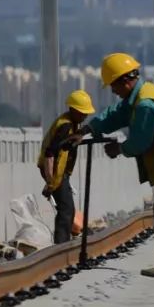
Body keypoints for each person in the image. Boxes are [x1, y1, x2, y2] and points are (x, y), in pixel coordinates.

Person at [73, 53, 154, 278]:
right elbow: (116, 114)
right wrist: (89, 129)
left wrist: (119, 149)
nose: (113, 91)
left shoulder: (146, 105)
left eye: (113, 85)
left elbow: (141, 141)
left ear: (125, 80)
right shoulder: (139, 96)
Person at [38, 90, 95, 244]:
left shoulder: (72, 123)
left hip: (60, 172)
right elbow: (50, 153)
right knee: (66, 210)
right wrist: (51, 181)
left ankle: (64, 243)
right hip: (56, 172)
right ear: (74, 110)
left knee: (67, 208)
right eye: (83, 113)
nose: (85, 116)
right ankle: (61, 246)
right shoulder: (65, 126)